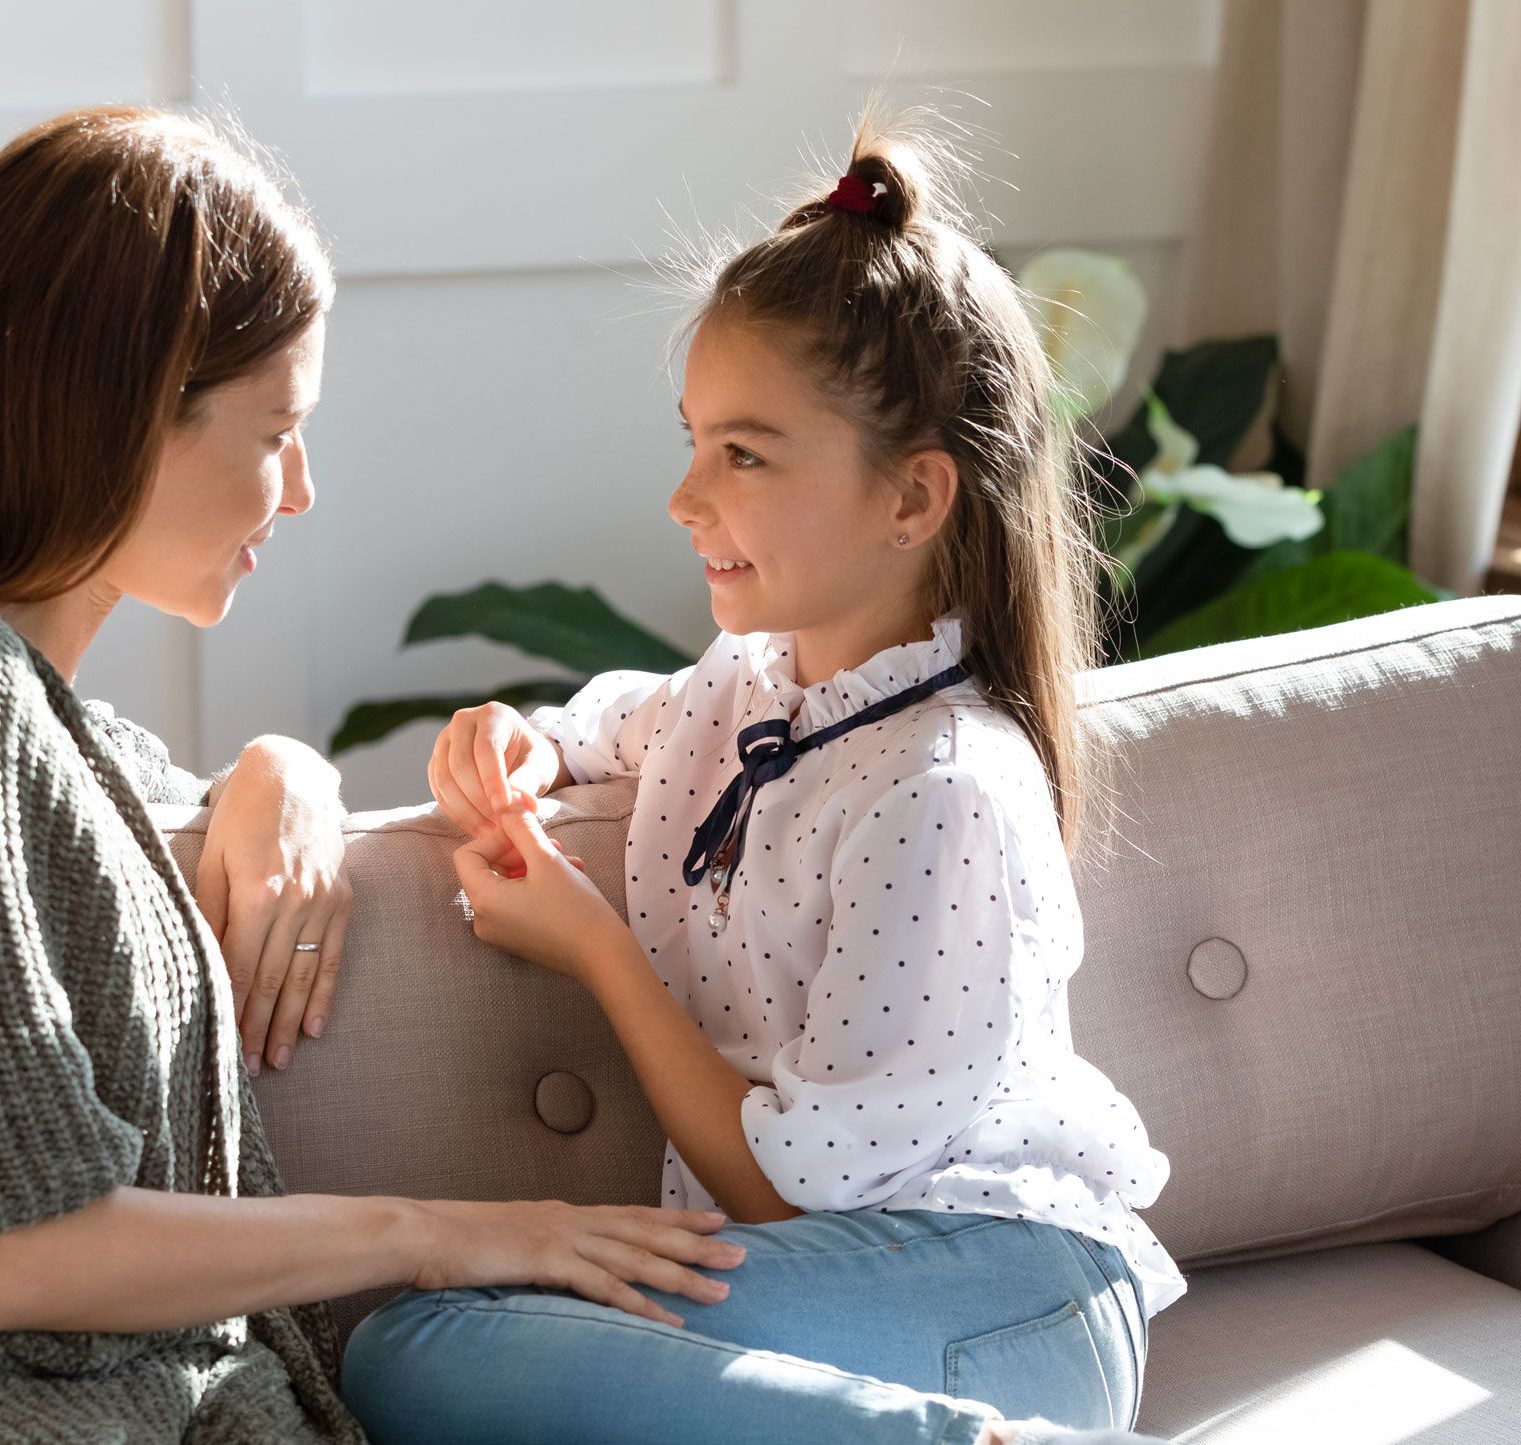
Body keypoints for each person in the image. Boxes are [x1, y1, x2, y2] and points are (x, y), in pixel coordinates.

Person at [0, 106, 741, 1443]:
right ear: (125, 414)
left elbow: (149, 816)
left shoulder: (25, 725)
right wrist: (453, 1231)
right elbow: (3, 1256)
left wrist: (283, 772)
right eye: (275, 430)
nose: (302, 489)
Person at [346, 103, 1185, 1445]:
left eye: (743, 453)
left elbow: (792, 1196)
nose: (686, 496)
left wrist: (591, 944)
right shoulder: (749, 689)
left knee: (425, 1346)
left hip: (1009, 1294)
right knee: (401, 1346)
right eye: (691, 438)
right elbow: (619, 722)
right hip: (834, 1300)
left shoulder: (942, 787)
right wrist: (515, 737)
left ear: (912, 501)